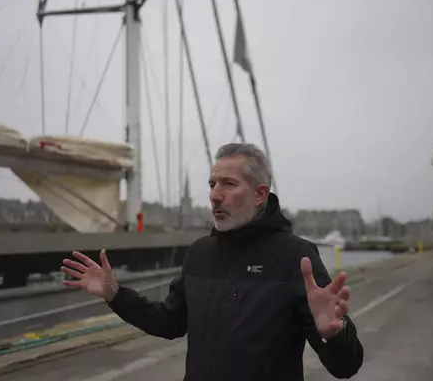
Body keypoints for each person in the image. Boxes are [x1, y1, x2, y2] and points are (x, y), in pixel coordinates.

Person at [61, 143, 364, 380]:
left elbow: (345, 367)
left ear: (260, 194)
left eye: (228, 184)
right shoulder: (200, 253)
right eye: (211, 184)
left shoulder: (297, 259)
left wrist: (336, 333)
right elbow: (169, 322)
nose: (215, 196)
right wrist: (115, 295)